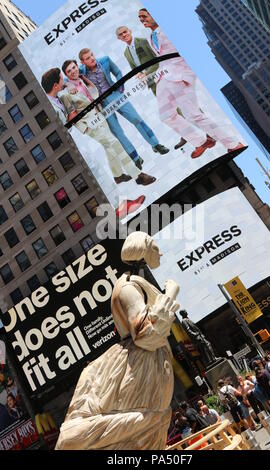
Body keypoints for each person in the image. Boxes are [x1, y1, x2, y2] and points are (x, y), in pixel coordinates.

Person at [55, 232, 180, 450]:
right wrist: (170, 293)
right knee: (142, 424)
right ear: (142, 251)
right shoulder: (128, 287)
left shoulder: (134, 283)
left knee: (145, 430)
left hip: (147, 360)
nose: (159, 252)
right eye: (154, 247)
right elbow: (145, 334)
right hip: (139, 363)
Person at [138, 8, 244, 159]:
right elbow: (163, 58)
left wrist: (187, 75)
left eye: (144, 16)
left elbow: (186, 48)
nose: (142, 19)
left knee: (193, 115)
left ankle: (233, 144)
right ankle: (201, 141)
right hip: (163, 78)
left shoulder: (170, 29)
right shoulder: (150, 36)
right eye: (140, 18)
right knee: (166, 115)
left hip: (180, 76)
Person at [60, 61, 156, 188]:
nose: (73, 71)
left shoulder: (82, 79)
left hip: (99, 116)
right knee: (114, 143)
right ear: (66, 74)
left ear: (77, 66)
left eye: (74, 67)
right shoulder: (66, 90)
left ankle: (117, 175)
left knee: (108, 147)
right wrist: (85, 128)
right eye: (69, 71)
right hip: (90, 125)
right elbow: (70, 114)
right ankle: (137, 175)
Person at [79, 48, 169, 170]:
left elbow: (118, 72)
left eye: (92, 55)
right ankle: (135, 158)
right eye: (88, 58)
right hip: (102, 105)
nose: (92, 58)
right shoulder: (81, 72)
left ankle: (156, 144)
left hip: (116, 96)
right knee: (118, 132)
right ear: (82, 61)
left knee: (137, 119)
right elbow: (68, 76)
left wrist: (120, 87)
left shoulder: (105, 60)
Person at [116, 25, 187, 150]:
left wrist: (146, 73)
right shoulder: (126, 53)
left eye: (125, 32)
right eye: (120, 34)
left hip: (162, 76)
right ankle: (185, 134)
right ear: (119, 39)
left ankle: (204, 128)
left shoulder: (142, 41)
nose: (124, 35)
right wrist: (140, 76)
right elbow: (135, 69)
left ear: (130, 31)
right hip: (152, 83)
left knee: (182, 102)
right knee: (170, 109)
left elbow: (157, 59)